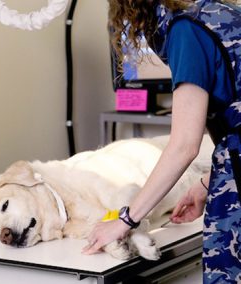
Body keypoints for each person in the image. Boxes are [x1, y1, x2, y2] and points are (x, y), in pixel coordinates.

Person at [81, 0, 241, 283]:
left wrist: (125, 220)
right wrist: (206, 184)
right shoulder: (216, 12)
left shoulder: (186, 30)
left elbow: (184, 146)